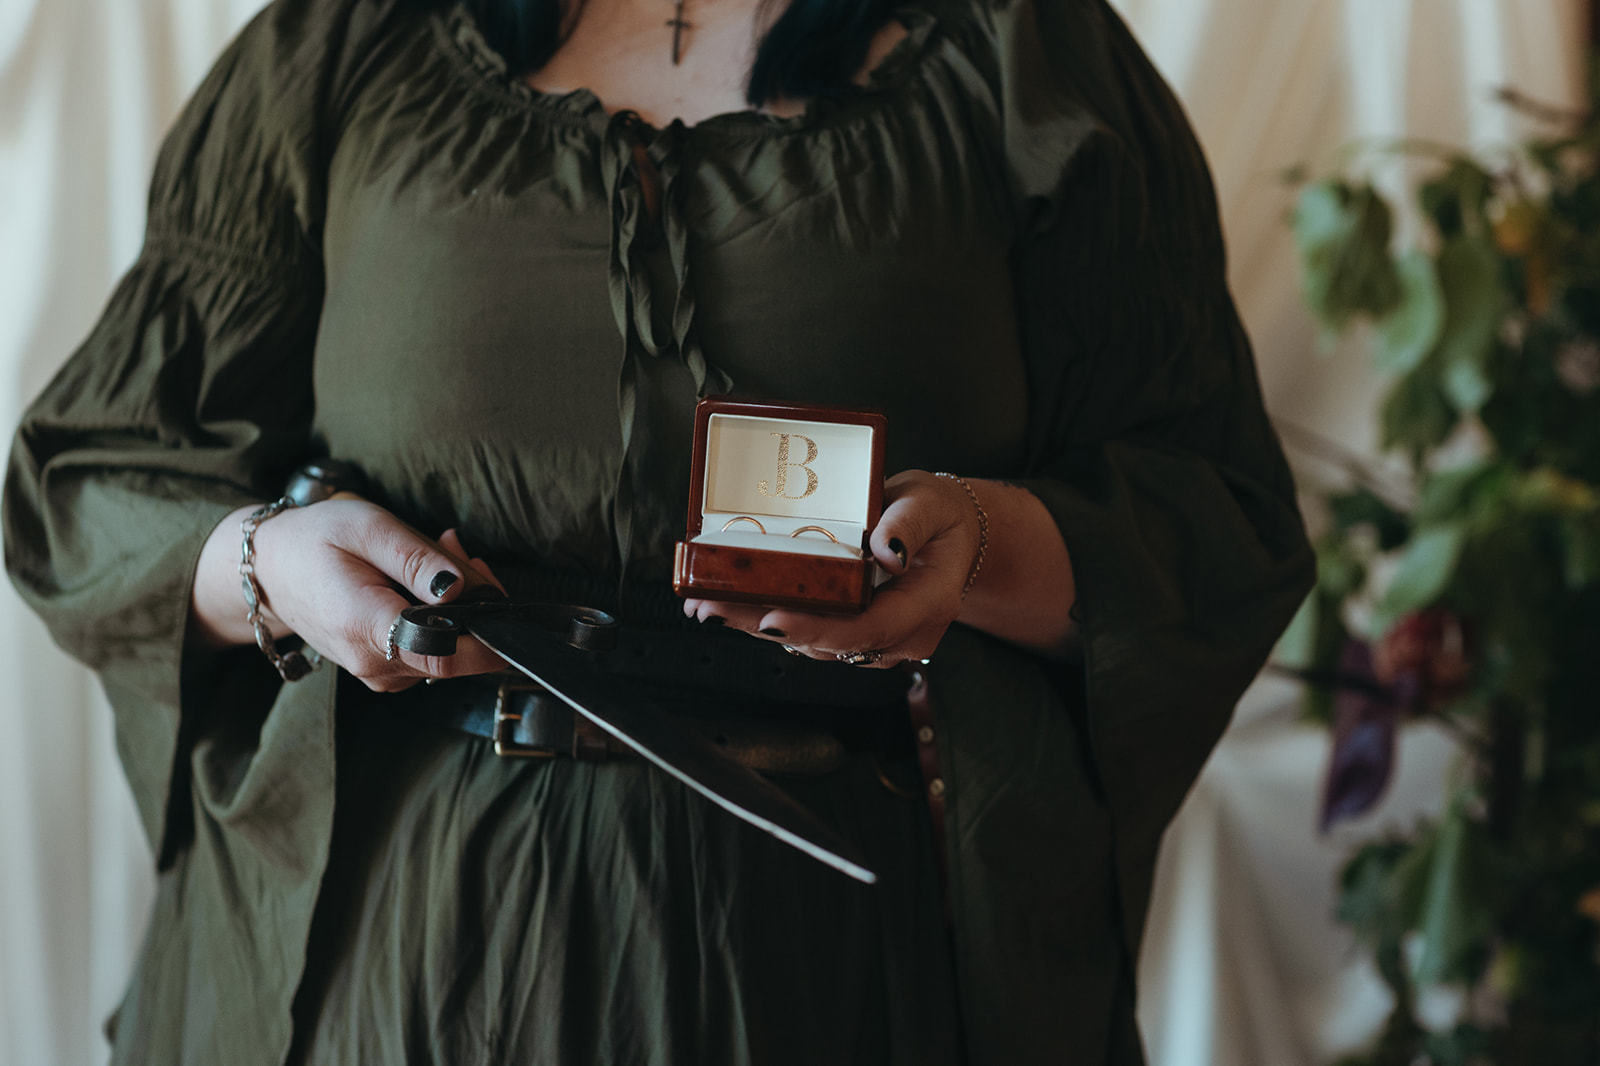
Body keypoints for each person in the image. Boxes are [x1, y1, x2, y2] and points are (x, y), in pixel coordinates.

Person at [3, 0, 1315, 1062]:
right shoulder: (347, 45)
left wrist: (977, 542)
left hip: (850, 974)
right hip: (397, 969)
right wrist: (269, 565)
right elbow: (94, 480)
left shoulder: (1020, 48)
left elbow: (1213, 521)